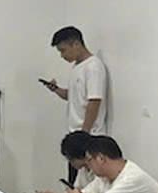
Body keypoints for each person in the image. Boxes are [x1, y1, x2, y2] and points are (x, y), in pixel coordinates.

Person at [42, 26, 109, 182]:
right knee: (74, 183)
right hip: (76, 136)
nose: (62, 55)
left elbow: (94, 101)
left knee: (87, 185)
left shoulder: (93, 67)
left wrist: (84, 135)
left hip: (89, 137)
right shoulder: (77, 67)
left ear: (76, 44)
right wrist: (56, 89)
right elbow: (72, 96)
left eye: (63, 50)